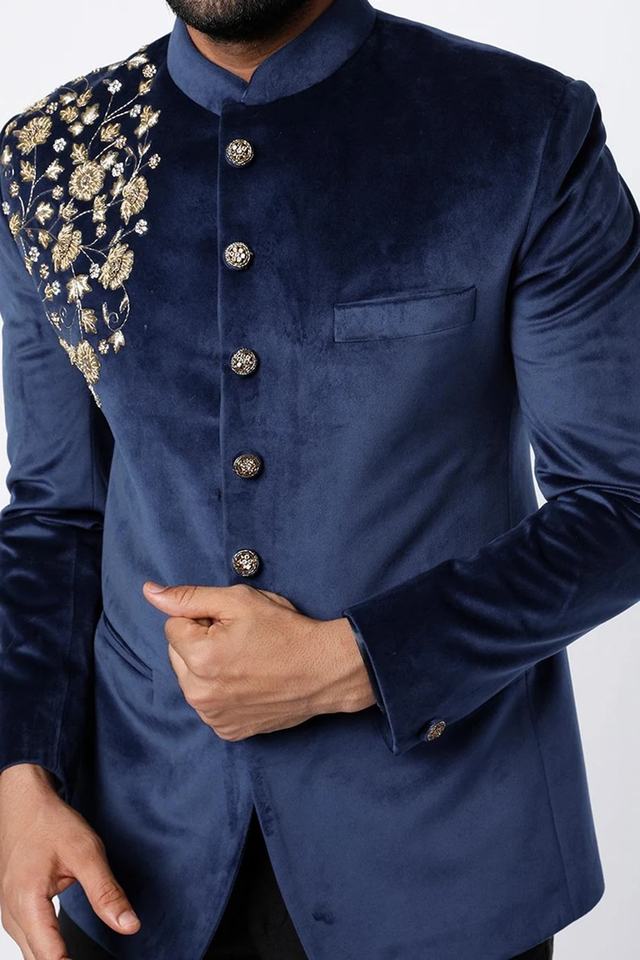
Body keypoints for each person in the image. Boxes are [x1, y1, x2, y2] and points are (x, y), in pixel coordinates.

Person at [0, 0, 638, 957]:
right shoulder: (51, 159)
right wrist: (19, 772)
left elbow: (624, 497)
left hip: (444, 866)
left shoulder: (523, 130)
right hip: (133, 860)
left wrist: (358, 661)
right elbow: (55, 515)